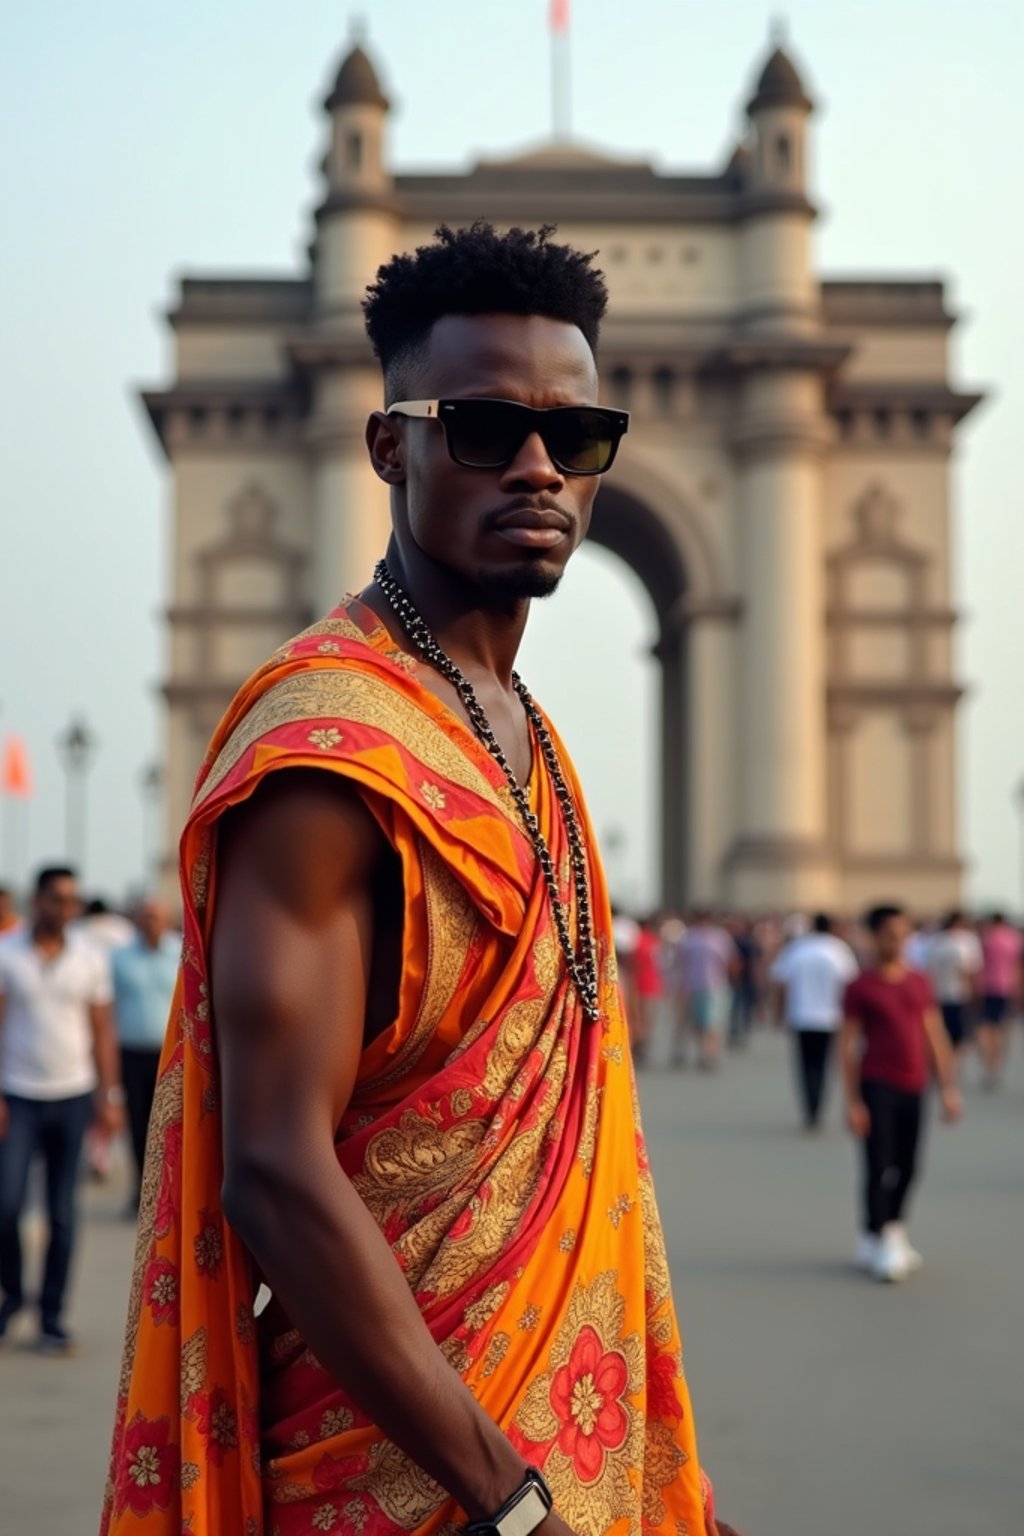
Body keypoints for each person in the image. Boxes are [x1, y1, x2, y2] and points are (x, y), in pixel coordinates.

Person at [102, 225, 735, 1536]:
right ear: (391, 445)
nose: (541, 469)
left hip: (556, 1462)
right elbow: (273, 1171)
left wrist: (658, 1497)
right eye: (487, 429)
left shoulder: (525, 735)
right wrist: (511, 1503)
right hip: (402, 1477)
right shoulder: (332, 760)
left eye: (580, 437)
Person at [0, 866, 123, 1351]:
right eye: (55, 899)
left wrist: (110, 1098)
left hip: (72, 1095)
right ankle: (13, 1295)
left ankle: (52, 1315)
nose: (63, 908)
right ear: (38, 901)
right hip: (18, 1096)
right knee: (6, 1206)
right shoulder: (8, 953)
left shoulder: (89, 959)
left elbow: (102, 1030)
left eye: (71, 901)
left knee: (62, 1212)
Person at [840, 904, 962, 1283]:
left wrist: (948, 1086)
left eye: (904, 934)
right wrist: (852, 1101)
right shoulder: (859, 986)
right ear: (874, 937)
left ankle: (885, 1229)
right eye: (891, 934)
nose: (898, 942)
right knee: (879, 1163)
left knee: (909, 1165)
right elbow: (846, 1045)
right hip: (877, 1083)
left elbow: (934, 1032)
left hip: (914, 1084)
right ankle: (884, 1236)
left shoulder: (918, 981)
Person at [110, 898, 180, 1212]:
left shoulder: (181, 951)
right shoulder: (120, 958)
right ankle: (141, 1190)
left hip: (172, 1056)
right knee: (139, 1125)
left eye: (156, 916)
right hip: (132, 1054)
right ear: (136, 919)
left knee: (170, 1126)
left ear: (166, 921)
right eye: (145, 915)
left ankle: (171, 1193)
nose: (150, 921)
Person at [771, 913, 858, 1129]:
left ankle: (810, 1107)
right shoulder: (839, 950)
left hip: (801, 1015)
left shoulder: (798, 949)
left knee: (805, 1064)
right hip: (830, 1017)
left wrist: (778, 1012)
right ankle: (817, 1106)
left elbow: (781, 982)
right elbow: (850, 984)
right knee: (823, 1064)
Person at [675, 911, 737, 1070]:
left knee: (713, 1022)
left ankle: (710, 1053)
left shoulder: (719, 938)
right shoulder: (689, 938)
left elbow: (731, 960)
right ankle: (702, 1051)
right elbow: (681, 961)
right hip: (692, 985)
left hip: (715, 985)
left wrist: (733, 979)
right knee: (698, 1023)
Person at [923, 910, 982, 1062]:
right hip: (956, 994)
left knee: (941, 1034)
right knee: (958, 1036)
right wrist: (974, 992)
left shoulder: (934, 941)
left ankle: (943, 1063)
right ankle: (948, 1063)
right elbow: (966, 971)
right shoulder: (962, 942)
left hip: (936, 993)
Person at [977, 911, 1022, 1086]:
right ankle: (996, 1061)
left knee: (988, 1027)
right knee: (1002, 1028)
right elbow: (1017, 965)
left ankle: (990, 1061)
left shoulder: (986, 939)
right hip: (1007, 987)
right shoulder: (1013, 939)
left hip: (987, 987)